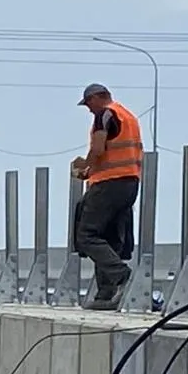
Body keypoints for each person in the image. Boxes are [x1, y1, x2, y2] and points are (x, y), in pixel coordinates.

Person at [70, 83, 144, 310]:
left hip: (108, 184)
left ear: (96, 98)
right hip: (129, 183)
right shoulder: (129, 116)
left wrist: (84, 168)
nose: (89, 110)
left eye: (88, 104)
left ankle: (122, 276)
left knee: (87, 235)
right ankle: (106, 296)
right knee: (110, 238)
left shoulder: (105, 113)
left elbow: (99, 148)